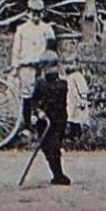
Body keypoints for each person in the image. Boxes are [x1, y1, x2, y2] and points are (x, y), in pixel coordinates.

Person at [10, 0, 57, 133]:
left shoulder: (47, 29)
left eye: (38, 14)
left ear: (43, 13)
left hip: (42, 67)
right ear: (28, 13)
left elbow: (52, 49)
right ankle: (27, 124)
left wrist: (52, 65)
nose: (36, 17)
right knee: (27, 95)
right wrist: (15, 66)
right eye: (33, 14)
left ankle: (42, 123)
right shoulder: (22, 29)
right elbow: (16, 49)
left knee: (42, 93)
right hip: (26, 66)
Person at [29, 50, 72, 185]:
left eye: (54, 68)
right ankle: (56, 173)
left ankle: (58, 174)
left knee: (53, 147)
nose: (51, 72)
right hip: (44, 121)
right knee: (47, 148)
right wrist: (38, 111)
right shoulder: (41, 84)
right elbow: (33, 101)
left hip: (57, 121)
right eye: (49, 69)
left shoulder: (62, 85)